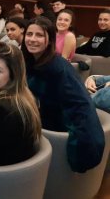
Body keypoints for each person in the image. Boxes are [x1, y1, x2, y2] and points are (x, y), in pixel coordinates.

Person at [22, 17, 104, 173]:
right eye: (29, 34)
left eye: (39, 35)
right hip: (44, 118)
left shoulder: (57, 68)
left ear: (50, 40)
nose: (32, 39)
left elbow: (78, 104)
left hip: (59, 128)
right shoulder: (31, 62)